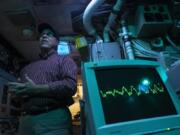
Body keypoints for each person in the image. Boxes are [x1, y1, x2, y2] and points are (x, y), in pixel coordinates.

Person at [8, 23, 78, 135]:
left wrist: (36, 89)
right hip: (26, 120)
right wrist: (17, 94)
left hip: (53, 117)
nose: (44, 36)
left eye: (49, 34)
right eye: (42, 35)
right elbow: (19, 96)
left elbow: (70, 85)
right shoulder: (26, 68)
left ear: (57, 42)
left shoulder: (64, 60)